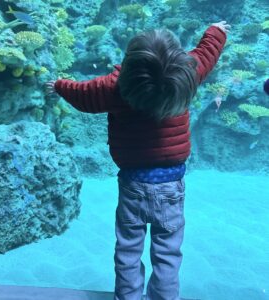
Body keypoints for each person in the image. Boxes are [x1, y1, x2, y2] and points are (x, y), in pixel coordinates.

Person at [46, 20, 230, 300]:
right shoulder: (186, 78)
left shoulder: (113, 87)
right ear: (181, 65)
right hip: (171, 187)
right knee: (167, 251)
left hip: (133, 185)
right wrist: (216, 31)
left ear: (129, 63)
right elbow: (205, 55)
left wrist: (60, 85)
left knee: (128, 249)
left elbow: (82, 95)